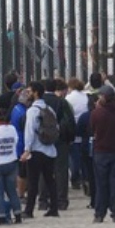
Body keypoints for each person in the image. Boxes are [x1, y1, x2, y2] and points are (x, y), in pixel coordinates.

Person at [89, 85, 115, 223]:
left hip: (101, 150)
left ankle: (99, 213)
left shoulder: (96, 113)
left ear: (104, 98)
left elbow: (93, 129)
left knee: (101, 183)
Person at [21, 81, 59, 218]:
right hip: (50, 149)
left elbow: (29, 131)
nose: (28, 94)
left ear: (36, 93)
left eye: (30, 91)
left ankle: (29, 210)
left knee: (33, 182)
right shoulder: (49, 109)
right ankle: (54, 208)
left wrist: (27, 149)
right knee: (50, 180)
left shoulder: (32, 111)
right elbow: (56, 127)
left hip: (36, 149)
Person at [40, 79, 75, 212]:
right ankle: (61, 201)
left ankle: (43, 200)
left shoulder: (40, 102)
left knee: (44, 171)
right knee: (61, 171)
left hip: (42, 139)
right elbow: (70, 121)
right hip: (60, 140)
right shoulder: (61, 102)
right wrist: (69, 138)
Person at [66, 78, 89, 190]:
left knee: (74, 157)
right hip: (84, 129)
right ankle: (86, 178)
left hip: (73, 130)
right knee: (84, 157)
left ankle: (75, 178)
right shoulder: (85, 97)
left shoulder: (69, 98)